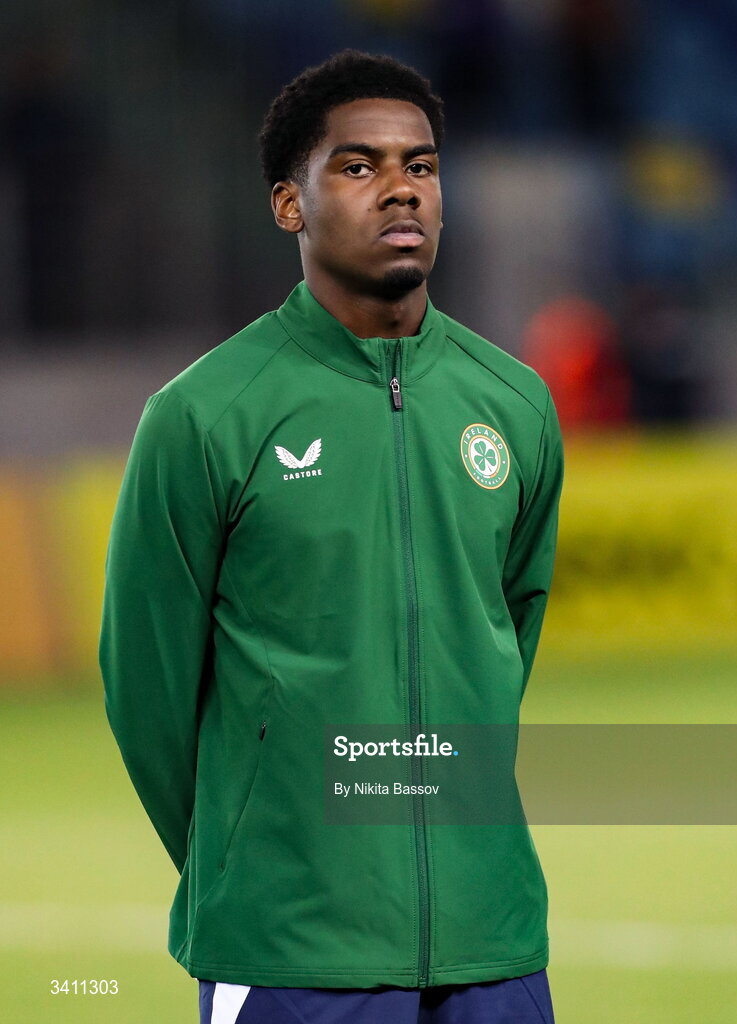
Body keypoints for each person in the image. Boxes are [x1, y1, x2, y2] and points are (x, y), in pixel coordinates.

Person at [100, 50, 563, 1024]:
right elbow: (147, 686)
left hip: (496, 939)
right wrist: (258, 861)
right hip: (293, 950)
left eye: (422, 166)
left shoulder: (514, 404)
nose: (400, 188)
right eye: (358, 166)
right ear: (289, 204)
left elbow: (506, 636)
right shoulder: (204, 415)